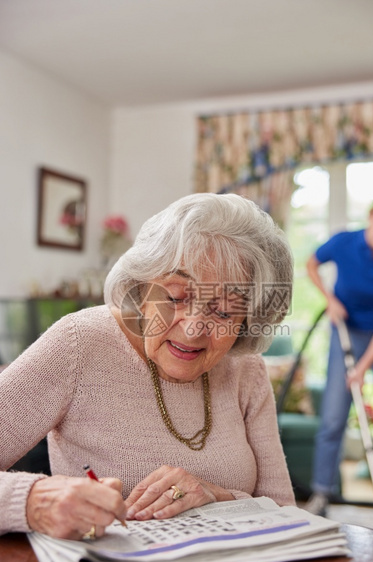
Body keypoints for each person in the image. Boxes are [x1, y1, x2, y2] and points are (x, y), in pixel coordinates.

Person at [0, 193, 295, 540]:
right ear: (141, 286)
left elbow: (285, 512)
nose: (194, 328)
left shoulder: (246, 368)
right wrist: (34, 501)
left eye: (224, 310)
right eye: (175, 297)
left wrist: (218, 495)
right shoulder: (80, 343)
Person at [305, 189, 373, 526]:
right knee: (333, 418)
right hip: (346, 332)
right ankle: (321, 492)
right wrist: (329, 298)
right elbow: (311, 263)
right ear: (370, 217)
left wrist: (363, 368)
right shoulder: (343, 243)